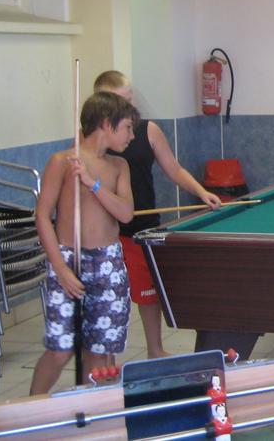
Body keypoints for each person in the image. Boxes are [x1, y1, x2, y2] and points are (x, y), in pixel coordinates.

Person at [94, 70, 222, 359]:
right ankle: (105, 362)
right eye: (121, 101)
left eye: (130, 99)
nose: (130, 107)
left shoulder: (147, 130)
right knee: (108, 298)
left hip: (142, 227)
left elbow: (173, 168)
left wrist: (201, 192)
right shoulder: (92, 141)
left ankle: (155, 349)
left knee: (148, 294)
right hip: (107, 231)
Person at [30, 92, 138, 394]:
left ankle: (88, 411)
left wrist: (93, 183)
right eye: (127, 127)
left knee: (99, 351)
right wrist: (61, 269)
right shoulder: (62, 161)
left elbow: (126, 214)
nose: (131, 136)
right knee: (61, 349)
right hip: (67, 259)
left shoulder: (119, 166)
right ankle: (31, 407)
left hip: (108, 263)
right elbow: (42, 217)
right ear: (105, 123)